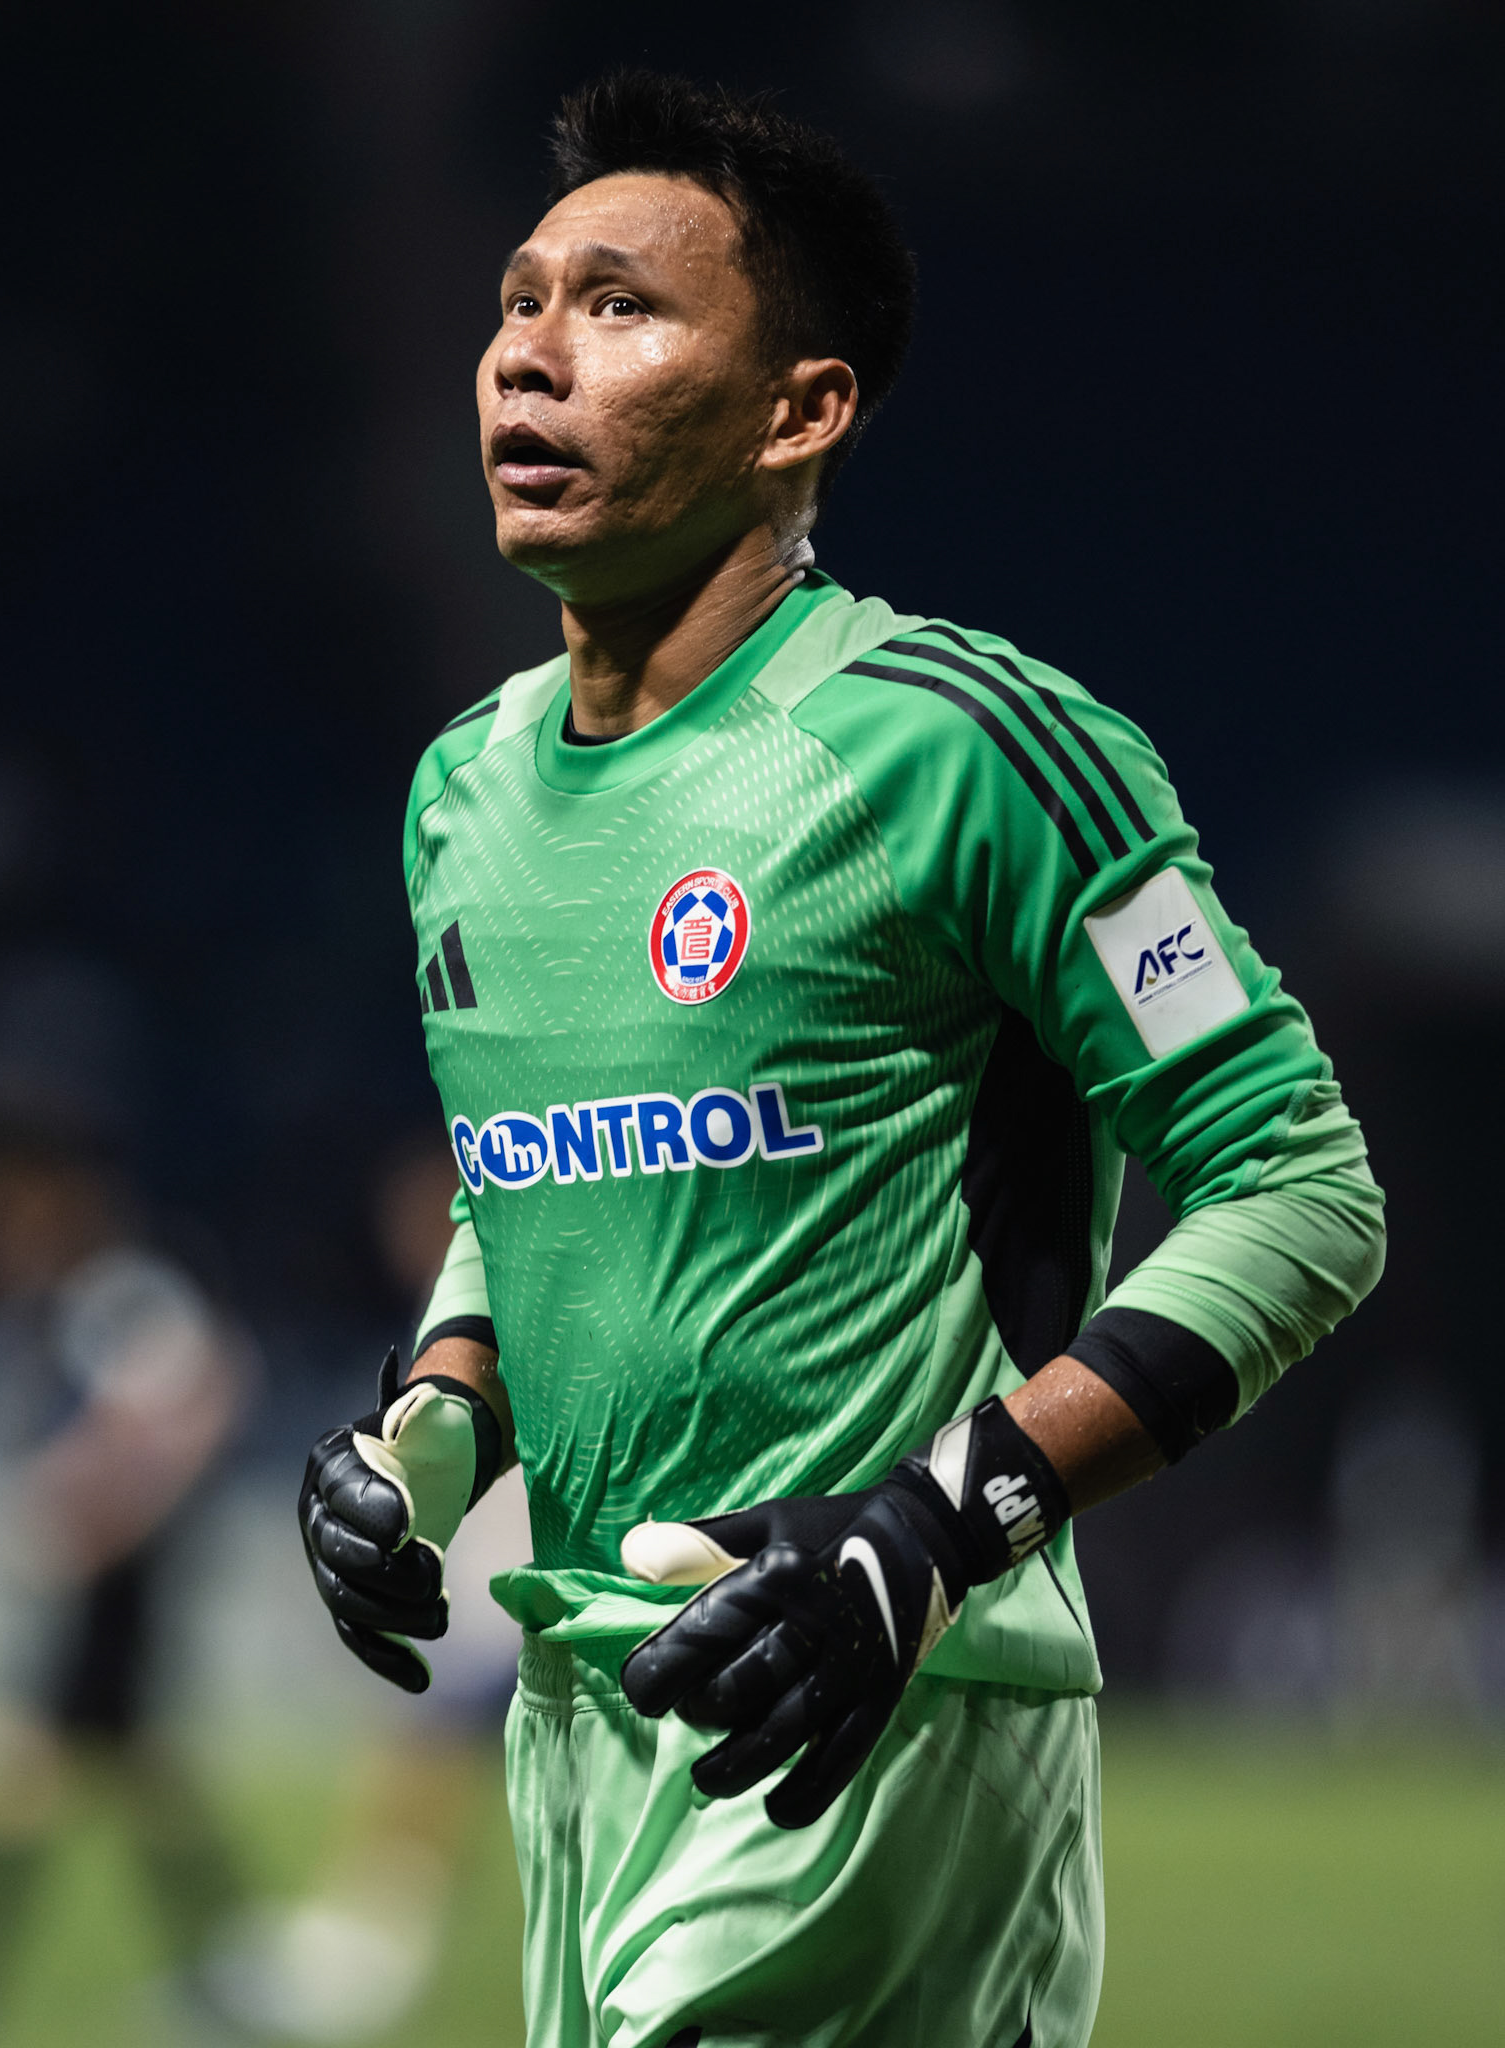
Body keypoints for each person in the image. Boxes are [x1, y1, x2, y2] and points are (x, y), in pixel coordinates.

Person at [300, 72, 1385, 2048]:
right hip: (583, 1726)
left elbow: (1300, 1185)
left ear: (801, 410)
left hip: (876, 1705)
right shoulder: (462, 790)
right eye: (516, 298)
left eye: (619, 306)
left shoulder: (966, 742)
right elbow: (536, 1182)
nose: (531, 351)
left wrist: (933, 1527)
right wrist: (435, 1429)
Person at [0, 1116, 251, 2043]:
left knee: (18, 1769)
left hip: (115, 1580)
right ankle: (226, 1973)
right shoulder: (64, 1302)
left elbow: (190, 1405)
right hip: (106, 1575)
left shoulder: (120, 1293)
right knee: (136, 1776)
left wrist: (84, 1507)